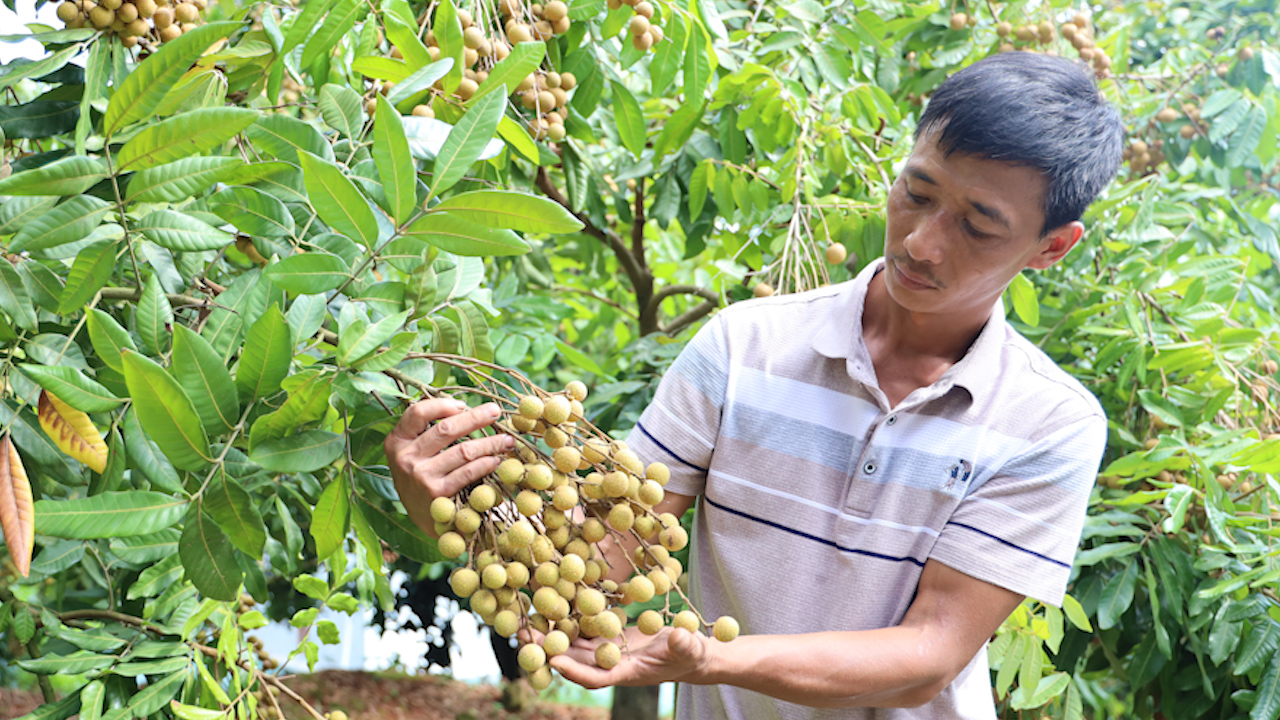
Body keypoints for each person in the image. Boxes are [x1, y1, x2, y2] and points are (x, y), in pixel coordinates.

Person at [385, 51, 1124, 718]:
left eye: (978, 225)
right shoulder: (743, 345)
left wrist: (718, 661)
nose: (920, 241)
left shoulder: (1049, 423)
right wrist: (449, 517)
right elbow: (601, 570)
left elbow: (927, 658)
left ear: (1051, 248)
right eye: (917, 191)